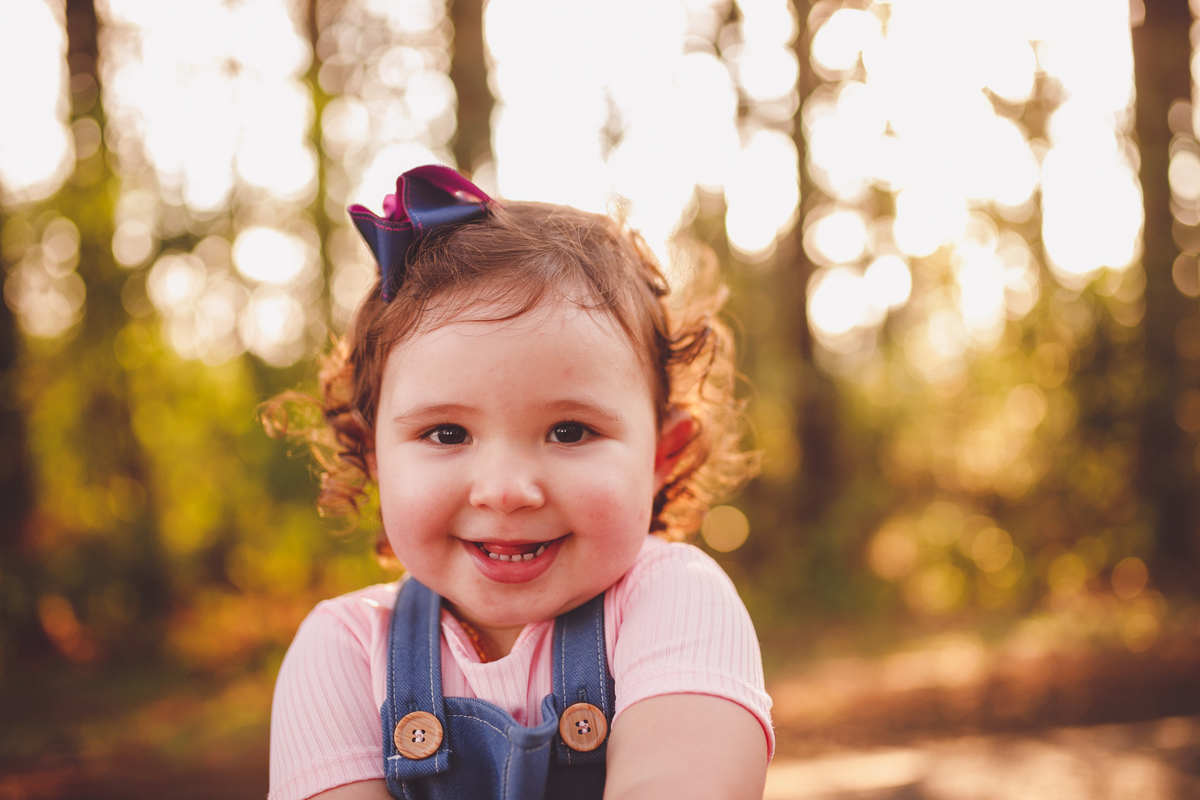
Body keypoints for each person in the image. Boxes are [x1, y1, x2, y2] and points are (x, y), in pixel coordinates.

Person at [263, 165, 772, 800]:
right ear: (373, 457)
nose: (504, 492)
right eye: (447, 433)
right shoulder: (343, 650)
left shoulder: (677, 602)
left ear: (662, 455)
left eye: (569, 431)